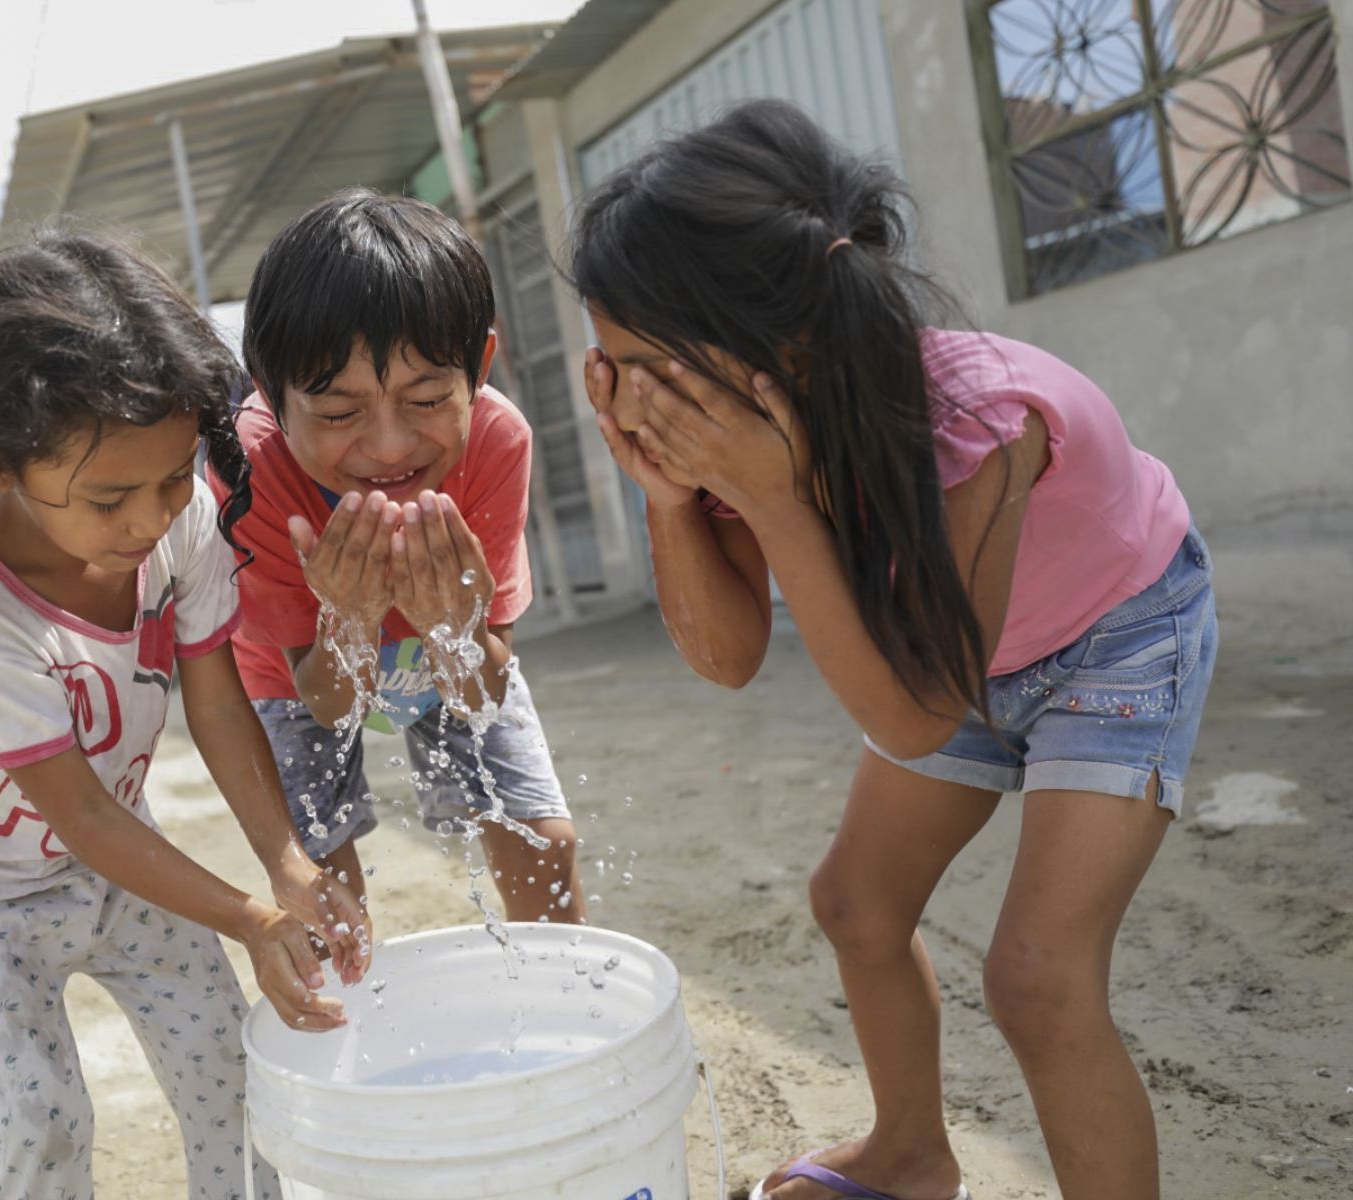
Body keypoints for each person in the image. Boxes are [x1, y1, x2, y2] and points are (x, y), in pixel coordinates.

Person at [572, 100, 1218, 1200]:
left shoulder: (980, 423)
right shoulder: (742, 415)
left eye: (649, 364)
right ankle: (912, 1156)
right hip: (952, 646)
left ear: (780, 340)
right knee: (857, 906)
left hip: (1116, 635)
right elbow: (725, 657)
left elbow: (919, 710)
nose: (628, 396)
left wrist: (776, 503)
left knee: (1037, 979)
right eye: (609, 361)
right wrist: (673, 499)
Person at [0, 224, 368, 1200]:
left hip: (120, 868)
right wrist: (249, 917)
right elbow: (82, 815)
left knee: (235, 1070)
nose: (148, 518)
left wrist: (287, 862)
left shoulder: (181, 528)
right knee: (45, 1120)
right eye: (108, 499)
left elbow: (217, 705)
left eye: (173, 476)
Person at [208, 189, 585, 925]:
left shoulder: (496, 439)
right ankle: (351, 1029)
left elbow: (479, 691)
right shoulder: (251, 466)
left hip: (453, 644)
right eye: (339, 413)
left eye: (425, 399)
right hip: (298, 672)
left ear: (478, 367)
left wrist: (455, 625)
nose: (388, 447)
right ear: (268, 388)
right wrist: (348, 617)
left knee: (543, 842)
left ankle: (568, 1024)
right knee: (321, 888)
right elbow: (325, 699)